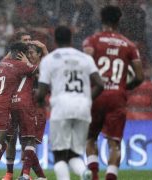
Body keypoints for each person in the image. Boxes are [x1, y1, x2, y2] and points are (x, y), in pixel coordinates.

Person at [82, 5, 144, 180]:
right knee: (114, 144)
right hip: (117, 96)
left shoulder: (91, 41)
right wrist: (125, 86)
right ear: (119, 21)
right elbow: (139, 76)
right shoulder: (129, 45)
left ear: (101, 20)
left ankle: (94, 176)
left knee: (90, 138)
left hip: (96, 95)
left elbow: (85, 67)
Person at [36, 25, 104, 180]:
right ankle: (84, 173)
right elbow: (100, 84)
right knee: (74, 154)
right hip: (83, 108)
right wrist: (87, 99)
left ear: (55, 40)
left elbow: (42, 91)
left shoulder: (49, 59)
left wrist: (39, 101)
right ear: (71, 39)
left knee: (60, 156)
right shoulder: (85, 58)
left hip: (61, 108)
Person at [0, 42, 37, 180]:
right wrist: (26, 61)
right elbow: (37, 70)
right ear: (21, 54)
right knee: (0, 138)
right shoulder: (19, 65)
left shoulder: (0, 65)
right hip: (2, 104)